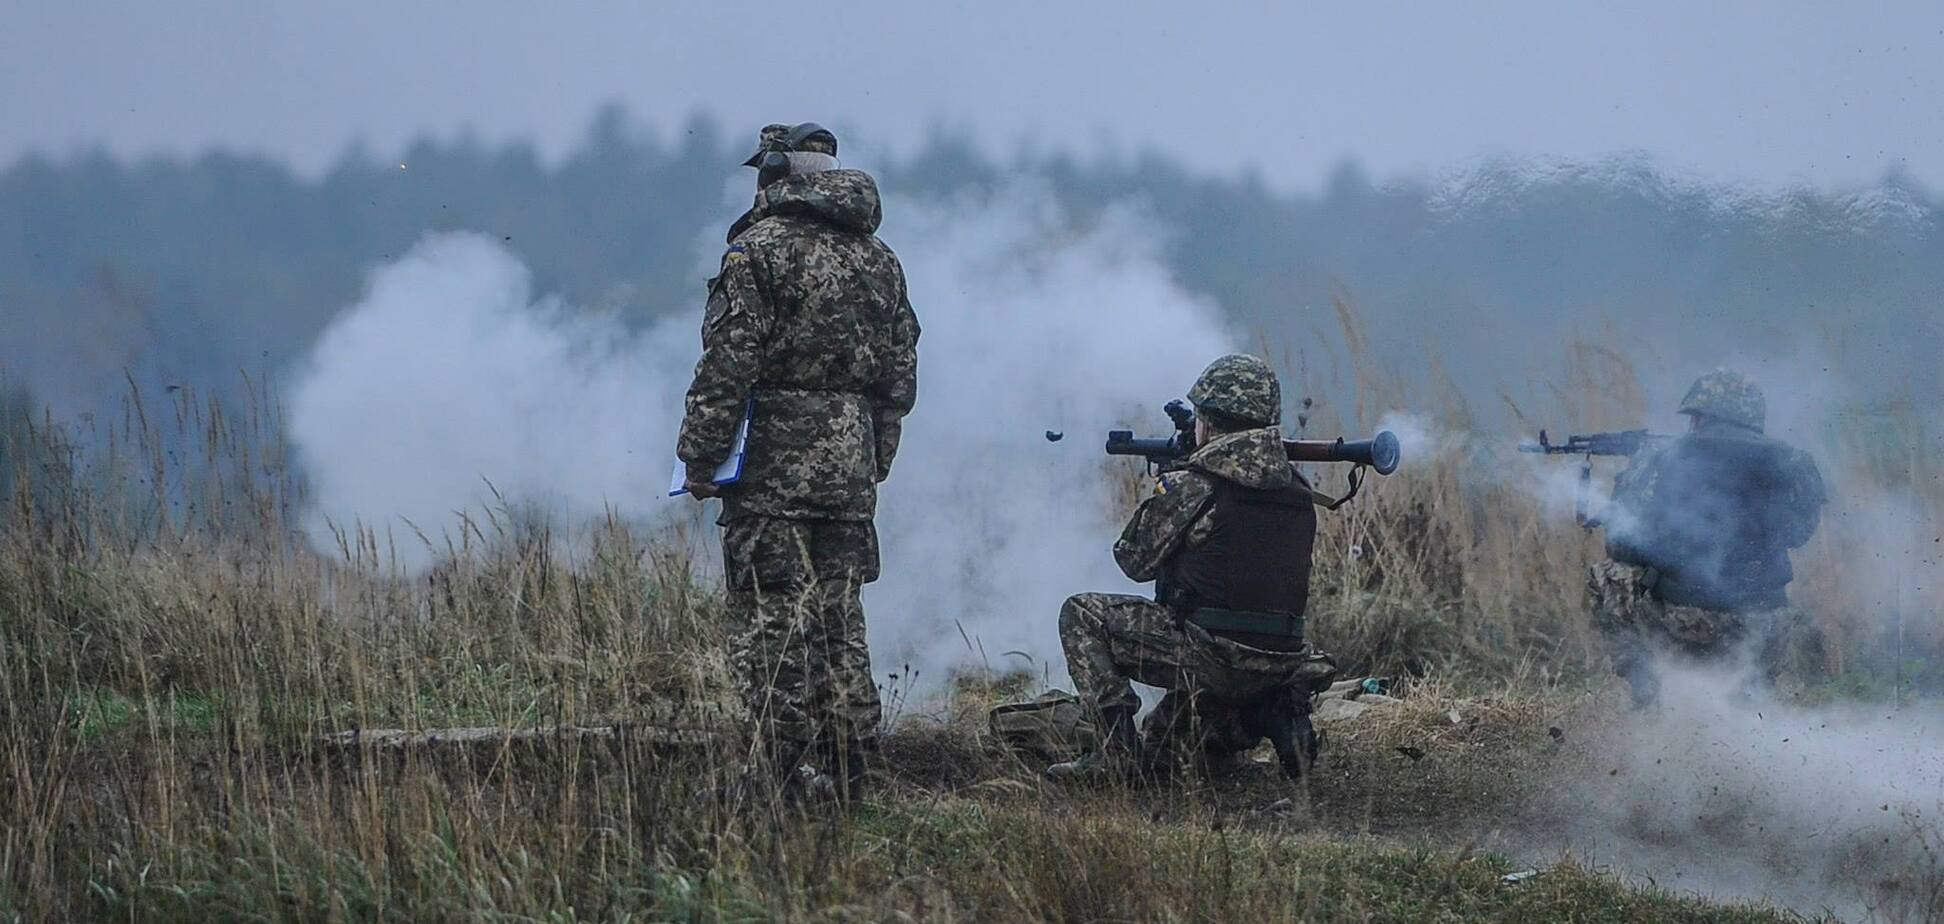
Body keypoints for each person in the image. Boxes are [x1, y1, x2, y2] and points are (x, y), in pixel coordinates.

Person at [677, 122, 920, 800]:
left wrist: (698, 456)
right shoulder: (880, 258)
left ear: (777, 174)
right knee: (842, 622)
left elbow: (729, 362)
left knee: (771, 624)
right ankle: (854, 774)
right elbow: (900, 373)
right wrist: (876, 455)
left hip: (771, 469)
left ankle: (779, 779)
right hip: (850, 468)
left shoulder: (757, 252)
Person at [1049, 354, 1338, 781]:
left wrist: (1167, 488)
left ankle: (1114, 756)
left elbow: (1134, 561)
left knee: (1082, 614)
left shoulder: (1194, 484)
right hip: (1281, 661)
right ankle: (1274, 716)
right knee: (1165, 750)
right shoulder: (1297, 489)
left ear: (1208, 423)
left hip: (1212, 654)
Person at [1589, 369, 1826, 707]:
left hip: (1683, 620)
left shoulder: (1664, 456)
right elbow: (1799, 535)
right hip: (1764, 624)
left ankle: (1647, 692)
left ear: (1701, 417)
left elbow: (1623, 542)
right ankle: (1753, 693)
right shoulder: (1792, 460)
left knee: (1609, 575)